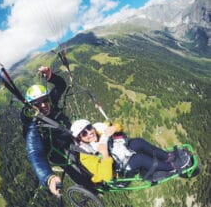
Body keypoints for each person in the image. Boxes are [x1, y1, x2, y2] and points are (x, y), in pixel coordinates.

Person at [70, 119, 190, 183]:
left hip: (120, 150)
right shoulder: (85, 156)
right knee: (139, 159)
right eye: (84, 133)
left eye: (89, 128)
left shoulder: (99, 129)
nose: (90, 133)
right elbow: (106, 176)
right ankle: (172, 166)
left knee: (138, 142)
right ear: (80, 139)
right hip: (116, 167)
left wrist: (114, 127)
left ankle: (167, 156)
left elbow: (119, 126)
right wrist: (105, 155)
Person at [21, 66, 72, 197]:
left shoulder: (50, 102)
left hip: (69, 136)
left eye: (44, 100)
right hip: (60, 152)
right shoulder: (33, 126)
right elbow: (35, 154)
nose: (43, 105)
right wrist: (48, 178)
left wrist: (51, 76)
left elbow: (61, 85)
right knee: (78, 170)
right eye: (37, 104)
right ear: (31, 107)